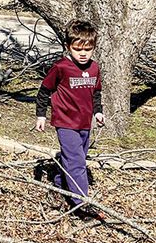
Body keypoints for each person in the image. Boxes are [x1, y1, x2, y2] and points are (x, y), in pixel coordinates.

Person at [34, 20, 105, 219]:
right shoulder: (61, 67)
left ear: (94, 48)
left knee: (74, 158)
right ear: (68, 47)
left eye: (88, 49)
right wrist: (41, 114)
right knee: (77, 163)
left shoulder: (94, 68)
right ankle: (81, 204)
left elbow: (96, 92)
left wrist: (98, 112)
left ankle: (59, 186)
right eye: (77, 49)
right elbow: (44, 91)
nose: (83, 54)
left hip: (85, 122)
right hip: (65, 122)